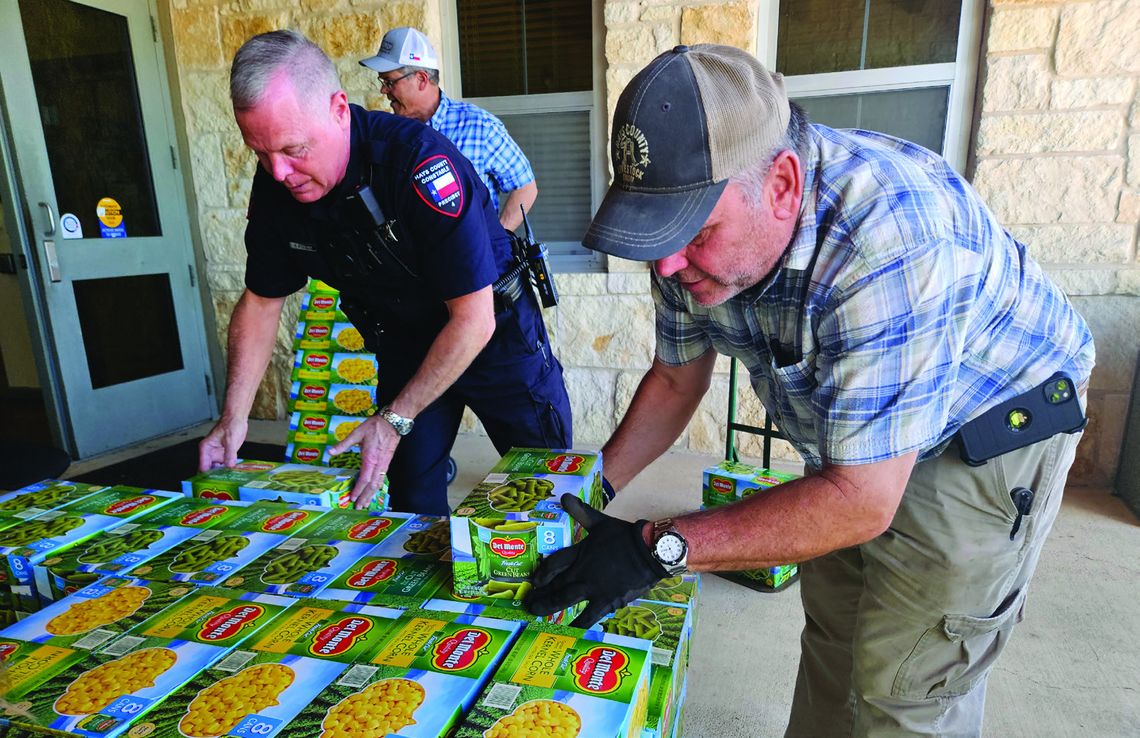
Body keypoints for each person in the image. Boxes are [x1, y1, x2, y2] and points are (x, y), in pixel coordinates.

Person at [526, 44, 1095, 737]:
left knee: (908, 683)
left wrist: (656, 547)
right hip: (855, 438)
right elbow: (677, 378)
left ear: (784, 185)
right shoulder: (678, 242)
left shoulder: (887, 241)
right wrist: (593, 493)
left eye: (696, 233)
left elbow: (861, 501)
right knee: (834, 638)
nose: (669, 264)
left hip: (984, 428)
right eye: (657, 235)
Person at [198, 30, 572, 515]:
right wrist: (234, 417)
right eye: (260, 153)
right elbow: (262, 300)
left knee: (546, 484)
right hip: (407, 342)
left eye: (293, 150)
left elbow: (473, 319)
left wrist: (395, 417)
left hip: (491, 330)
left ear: (337, 108)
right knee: (411, 497)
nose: (279, 172)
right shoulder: (277, 180)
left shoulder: (419, 163)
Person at [359, 27, 537, 232]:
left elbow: (525, 187)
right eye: (382, 81)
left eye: (389, 82)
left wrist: (497, 241)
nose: (383, 90)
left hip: (470, 262)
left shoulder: (479, 126)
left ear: (421, 79)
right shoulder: (391, 133)